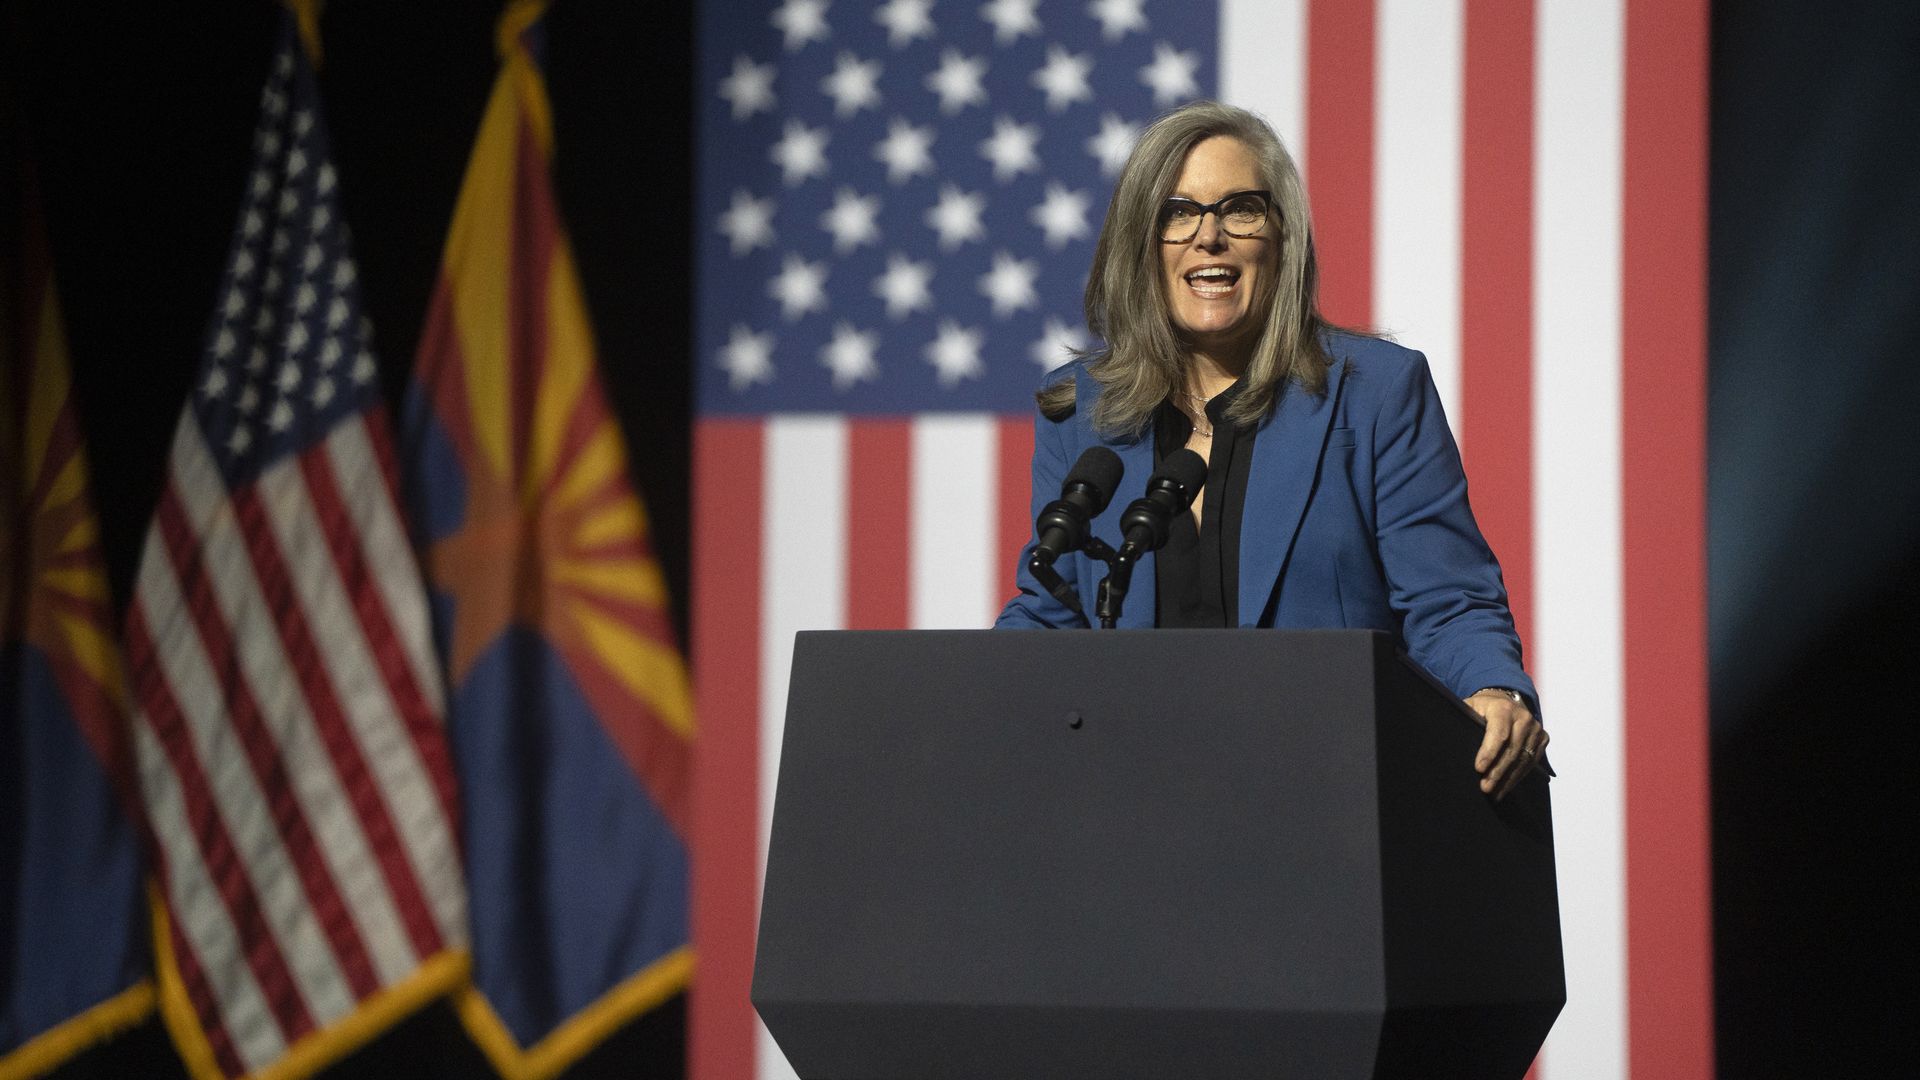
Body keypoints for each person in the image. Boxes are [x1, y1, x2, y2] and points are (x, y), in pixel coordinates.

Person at [995, 101, 1545, 800]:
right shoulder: (1082, 410)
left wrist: (1494, 689)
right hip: (1133, 806)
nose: (1209, 238)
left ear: (1282, 238)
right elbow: (1054, 611)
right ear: (1140, 241)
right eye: (1178, 212)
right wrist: (963, 705)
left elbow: (1449, 602)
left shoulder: (1373, 393)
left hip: (1331, 799)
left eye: (1241, 209)